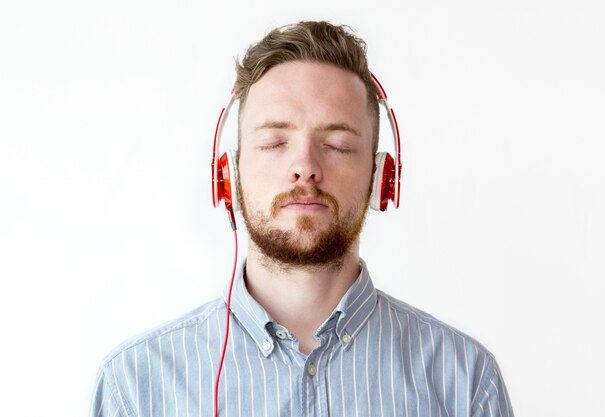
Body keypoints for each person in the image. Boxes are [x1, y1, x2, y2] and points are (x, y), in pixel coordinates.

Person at [90, 21, 514, 417]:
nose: (305, 166)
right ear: (229, 176)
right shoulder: (135, 388)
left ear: (381, 176)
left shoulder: (465, 382)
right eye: (275, 141)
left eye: (337, 144)